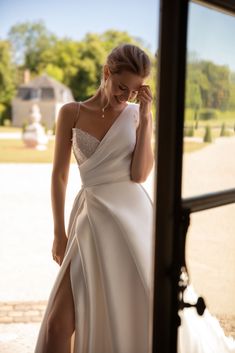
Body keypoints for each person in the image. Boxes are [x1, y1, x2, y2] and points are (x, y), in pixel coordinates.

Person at [34, 43, 154, 353]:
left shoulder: (135, 114)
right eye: (120, 86)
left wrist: (146, 115)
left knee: (130, 312)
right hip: (90, 219)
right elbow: (59, 176)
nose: (125, 95)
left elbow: (139, 174)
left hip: (132, 221)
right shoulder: (71, 112)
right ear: (106, 73)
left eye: (134, 90)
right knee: (56, 325)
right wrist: (59, 233)